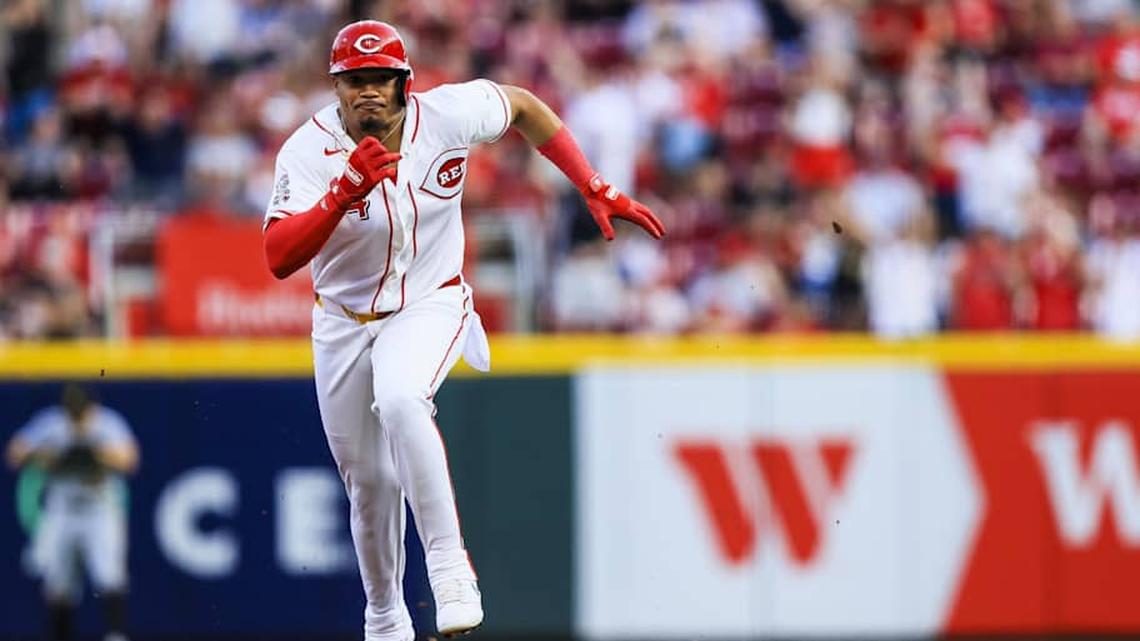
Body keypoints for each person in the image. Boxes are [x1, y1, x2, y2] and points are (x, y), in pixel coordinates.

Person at [262, 20, 665, 640]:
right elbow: (278, 256)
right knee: (368, 485)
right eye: (355, 80)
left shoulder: (447, 115)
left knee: (400, 399)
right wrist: (343, 192)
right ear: (336, 87)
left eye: (380, 79)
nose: (368, 91)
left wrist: (590, 182)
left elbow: (526, 108)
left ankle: (450, 567)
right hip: (341, 320)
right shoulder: (308, 150)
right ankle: (385, 617)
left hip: (430, 300)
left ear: (404, 83)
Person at [5, 383, 139, 641]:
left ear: (92, 407)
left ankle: (115, 636)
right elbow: (15, 454)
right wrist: (50, 455)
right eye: (72, 411)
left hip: (99, 510)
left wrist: (96, 454)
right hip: (62, 511)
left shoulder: (107, 424)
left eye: (81, 411)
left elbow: (130, 459)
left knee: (111, 574)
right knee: (59, 586)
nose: (76, 417)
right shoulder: (52, 424)